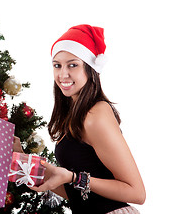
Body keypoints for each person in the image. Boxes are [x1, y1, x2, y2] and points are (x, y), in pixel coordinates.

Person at [30, 25, 146, 213]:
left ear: (90, 68)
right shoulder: (73, 116)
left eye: (72, 64)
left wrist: (74, 177)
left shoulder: (96, 114)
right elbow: (81, 193)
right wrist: (37, 172)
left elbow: (137, 193)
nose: (63, 74)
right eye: (57, 65)